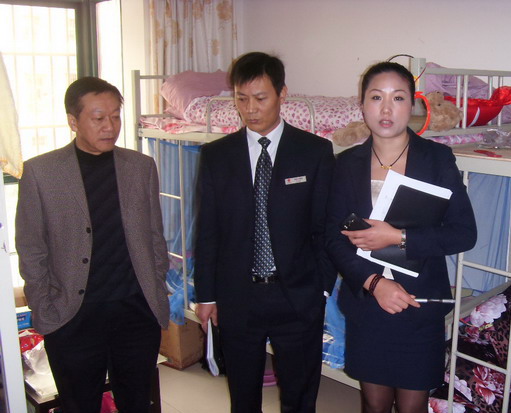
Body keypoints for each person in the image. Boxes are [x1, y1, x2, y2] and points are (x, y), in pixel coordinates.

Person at [325, 61, 477, 413]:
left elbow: (464, 233)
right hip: (368, 305)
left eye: (398, 98)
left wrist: (398, 236)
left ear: (413, 105)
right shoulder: (346, 164)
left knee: (412, 407)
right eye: (376, 97)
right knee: (374, 404)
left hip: (418, 305)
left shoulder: (436, 158)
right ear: (362, 105)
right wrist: (375, 283)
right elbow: (333, 239)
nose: (386, 109)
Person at [15, 77, 169, 413]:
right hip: (73, 316)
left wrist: (157, 286)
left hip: (136, 311)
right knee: (79, 404)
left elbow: (155, 236)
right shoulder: (41, 173)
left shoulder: (140, 167)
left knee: (137, 402)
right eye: (98, 118)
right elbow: (31, 247)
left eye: (115, 116)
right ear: (73, 121)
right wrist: (45, 307)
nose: (110, 126)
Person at [194, 51, 337, 413]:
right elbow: (208, 231)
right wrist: (206, 295)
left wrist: (321, 287)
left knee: (300, 397)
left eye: (260, 98)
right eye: (241, 99)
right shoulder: (216, 156)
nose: (250, 109)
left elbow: (325, 227)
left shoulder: (315, 152)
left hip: (298, 295)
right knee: (243, 397)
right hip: (238, 296)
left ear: (282, 93)